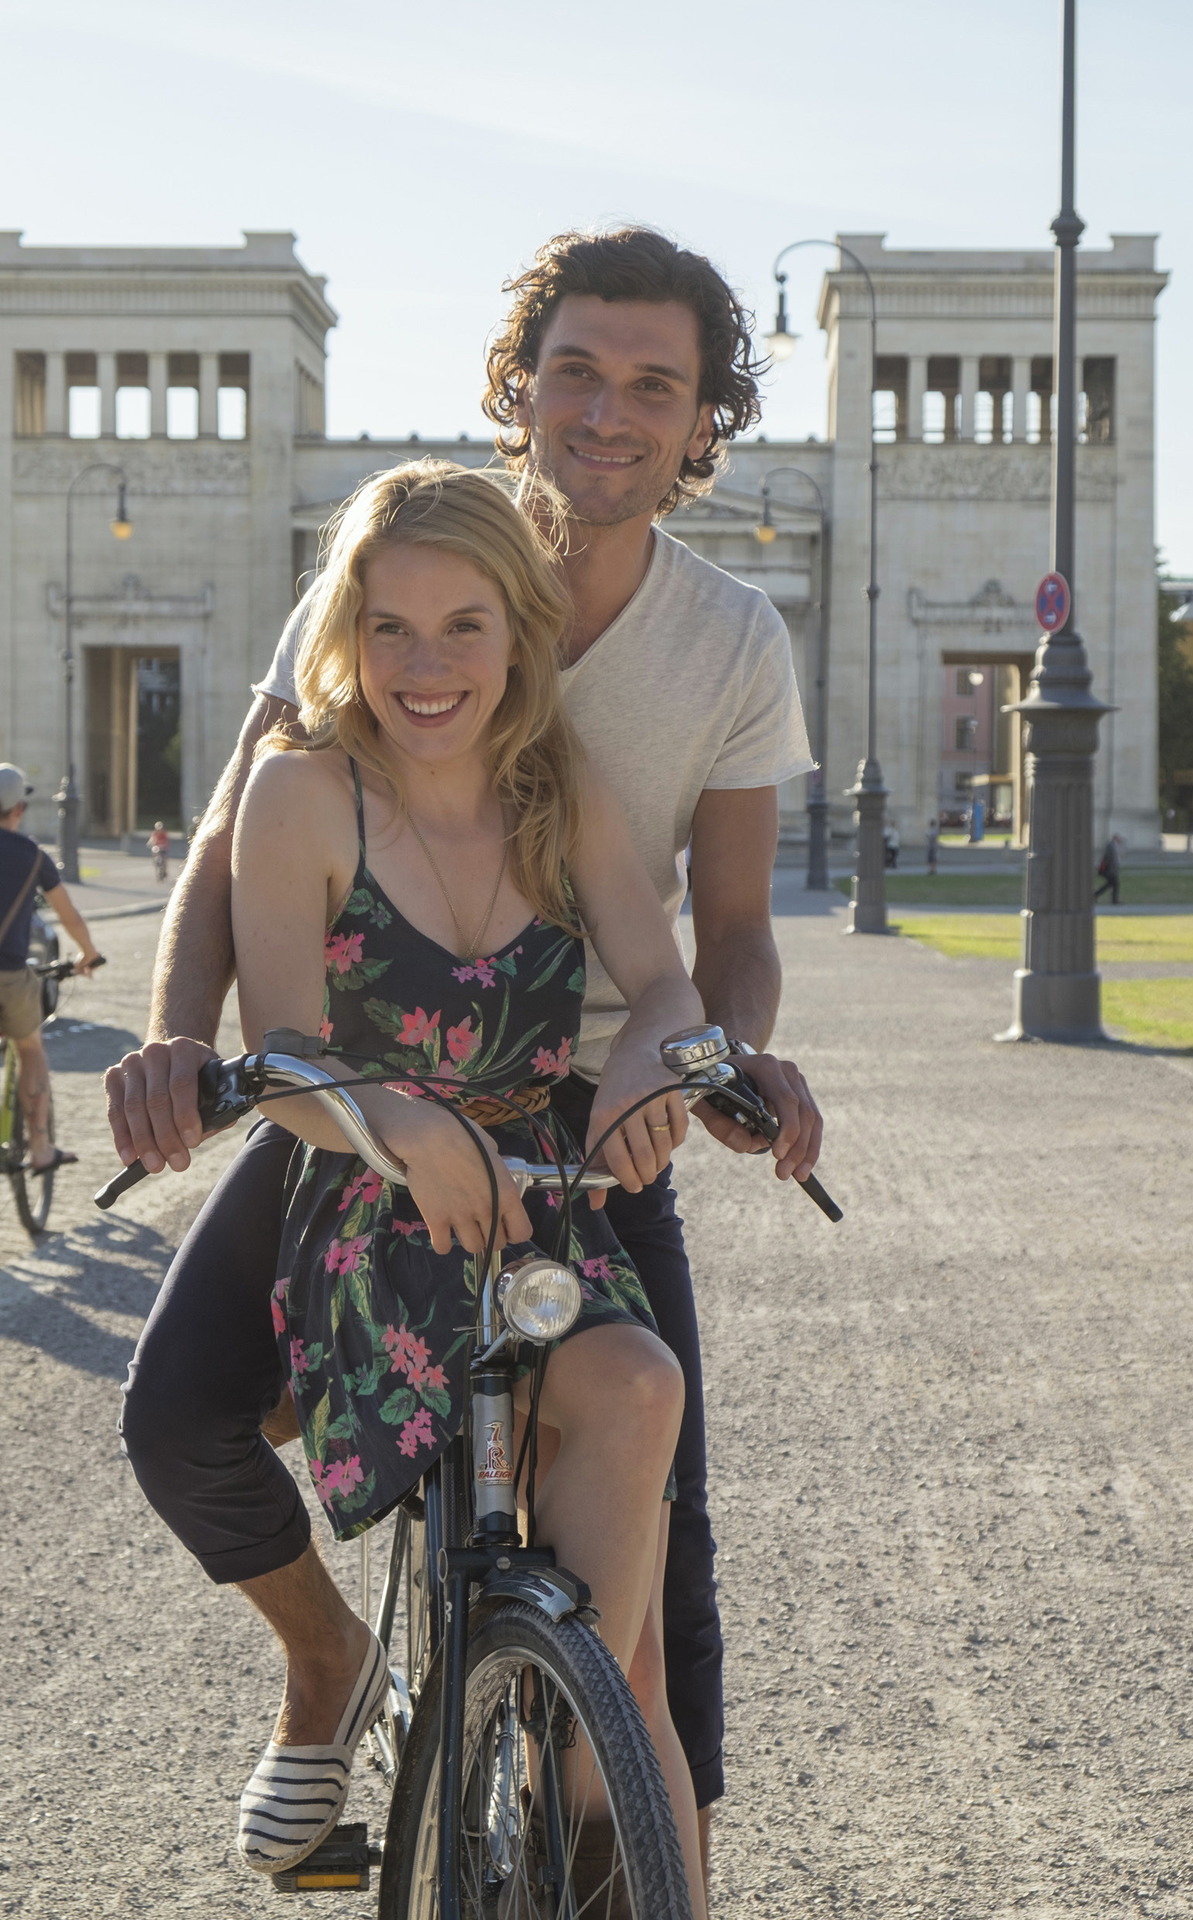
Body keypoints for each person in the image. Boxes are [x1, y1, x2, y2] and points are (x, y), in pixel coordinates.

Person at [110, 226, 822, 1873]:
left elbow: (725, 934)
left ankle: (617, 1848)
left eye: (656, 383)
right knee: (178, 1416)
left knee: (654, 1589)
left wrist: (702, 1058)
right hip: (371, 1105)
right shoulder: (384, 573)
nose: (608, 410)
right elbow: (232, 844)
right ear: (518, 386)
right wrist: (172, 1036)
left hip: (582, 1116)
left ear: (703, 419)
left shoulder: (726, 643)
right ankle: (325, 1658)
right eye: (574, 368)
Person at [128, 464, 717, 1897]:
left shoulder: (554, 791)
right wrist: (400, 1116)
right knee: (185, 1415)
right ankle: (382, 1677)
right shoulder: (303, 790)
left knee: (642, 1392)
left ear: (518, 631)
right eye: (388, 629)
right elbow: (281, 1055)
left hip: (531, 1196)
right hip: (364, 1197)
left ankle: (588, 1768)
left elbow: (663, 985)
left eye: (462, 626)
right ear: (345, 633)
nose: (425, 666)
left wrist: (655, 1057)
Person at [0, 764, 102, 1170]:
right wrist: (88, 954)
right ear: (19, 809)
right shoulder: (31, 856)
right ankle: (40, 1148)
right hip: (9, 976)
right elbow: (69, 916)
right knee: (31, 1049)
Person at [1095, 832, 1123, 905]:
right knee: (1115, 884)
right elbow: (1108, 858)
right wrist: (1111, 869)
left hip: (1112, 869)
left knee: (1110, 884)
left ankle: (1095, 895)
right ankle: (1114, 901)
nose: (1120, 839)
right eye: (1119, 838)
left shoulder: (1114, 846)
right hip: (1109, 870)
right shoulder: (1110, 846)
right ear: (1115, 838)